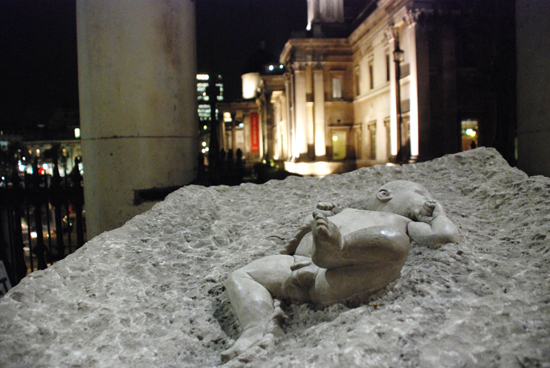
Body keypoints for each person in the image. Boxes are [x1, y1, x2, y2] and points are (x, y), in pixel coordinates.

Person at [221, 180, 460, 362]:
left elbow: (444, 235)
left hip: (339, 275)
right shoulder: (344, 213)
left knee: (396, 242)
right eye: (421, 195)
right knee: (242, 275)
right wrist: (317, 218)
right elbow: (300, 236)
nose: (428, 203)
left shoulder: (406, 224)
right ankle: (254, 329)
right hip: (299, 263)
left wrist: (440, 215)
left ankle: (337, 250)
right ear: (384, 194)